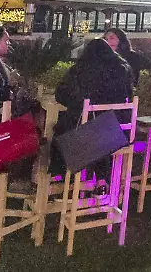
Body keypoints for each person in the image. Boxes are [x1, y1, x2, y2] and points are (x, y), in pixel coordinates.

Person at [53, 37, 134, 194]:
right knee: (100, 129)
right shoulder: (123, 69)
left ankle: (66, 179)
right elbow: (128, 97)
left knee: (67, 130)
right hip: (118, 132)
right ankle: (102, 179)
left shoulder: (81, 71)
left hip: (90, 133)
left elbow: (61, 95)